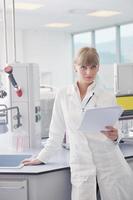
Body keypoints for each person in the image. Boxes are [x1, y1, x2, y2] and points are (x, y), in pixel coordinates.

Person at [23, 47, 133, 200]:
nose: (89, 72)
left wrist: (115, 136)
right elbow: (56, 134)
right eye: (83, 67)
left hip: (110, 164)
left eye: (93, 67)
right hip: (82, 166)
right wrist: (41, 158)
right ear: (75, 67)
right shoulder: (63, 95)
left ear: (98, 67)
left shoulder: (107, 96)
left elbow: (116, 133)